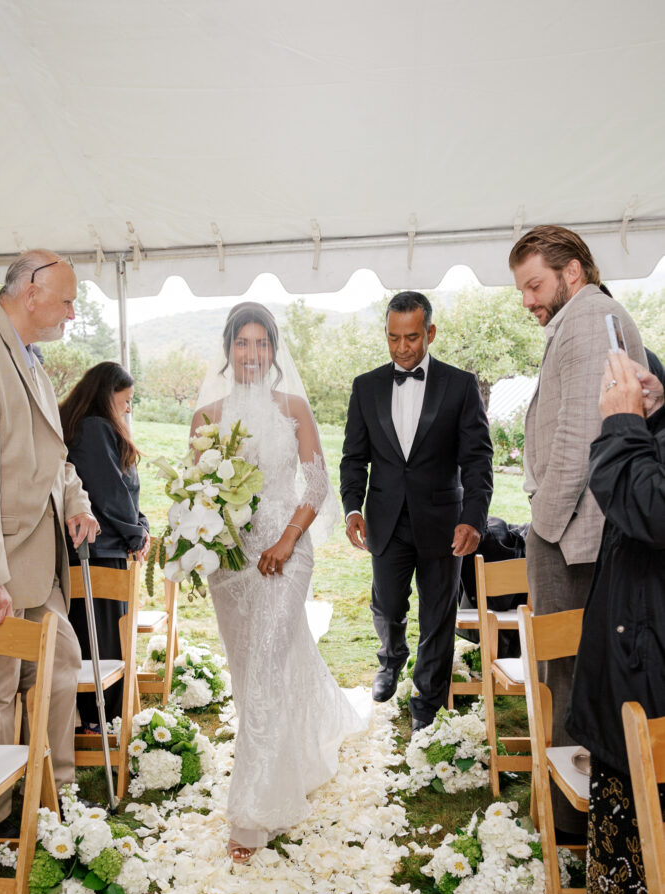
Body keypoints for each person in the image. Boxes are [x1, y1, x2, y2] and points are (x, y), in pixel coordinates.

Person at [191, 301, 371, 863]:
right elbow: (196, 494)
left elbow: (316, 486)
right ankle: (288, 759)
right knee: (251, 677)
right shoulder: (207, 417)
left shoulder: (293, 407)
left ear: (273, 351)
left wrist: (288, 539)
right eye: (241, 343)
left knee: (267, 661)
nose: (251, 353)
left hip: (285, 552)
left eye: (260, 343)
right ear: (228, 350)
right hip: (230, 561)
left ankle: (252, 815)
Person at [509, 225, 647, 835]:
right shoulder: (584, 317)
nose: (527, 300)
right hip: (578, 532)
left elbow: (577, 442)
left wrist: (541, 522)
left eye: (534, 284)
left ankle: (573, 823)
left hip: (576, 538)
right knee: (567, 677)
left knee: (569, 680)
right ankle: (572, 814)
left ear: (572, 273)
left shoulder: (591, 318)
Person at [340, 291, 493, 733]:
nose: (402, 348)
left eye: (411, 338)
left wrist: (474, 519)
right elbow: (354, 457)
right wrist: (353, 507)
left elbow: (478, 460)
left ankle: (427, 701)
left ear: (430, 333)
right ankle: (391, 658)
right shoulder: (365, 386)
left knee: (438, 616)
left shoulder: (460, 384)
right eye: (393, 338)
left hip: (445, 523)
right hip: (385, 520)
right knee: (387, 606)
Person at [0, 250, 99, 831]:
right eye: (68, 300)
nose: (73, 313)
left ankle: (54, 802)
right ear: (31, 293)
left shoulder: (31, 356)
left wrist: (76, 501)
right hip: (0, 568)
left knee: (60, 666)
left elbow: (52, 453)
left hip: (41, 557)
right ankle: (2, 825)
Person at [565, 348, 665, 894]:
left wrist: (625, 424)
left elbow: (650, 509)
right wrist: (655, 413)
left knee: (641, 790)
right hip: (638, 625)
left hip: (649, 644)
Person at [60, 362, 150, 730]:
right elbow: (108, 492)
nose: (128, 407)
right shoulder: (94, 428)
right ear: (105, 394)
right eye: (125, 399)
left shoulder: (97, 427)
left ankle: (109, 720)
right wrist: (134, 534)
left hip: (109, 547)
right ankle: (102, 722)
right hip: (97, 551)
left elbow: (126, 492)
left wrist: (141, 525)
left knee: (109, 636)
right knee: (102, 641)